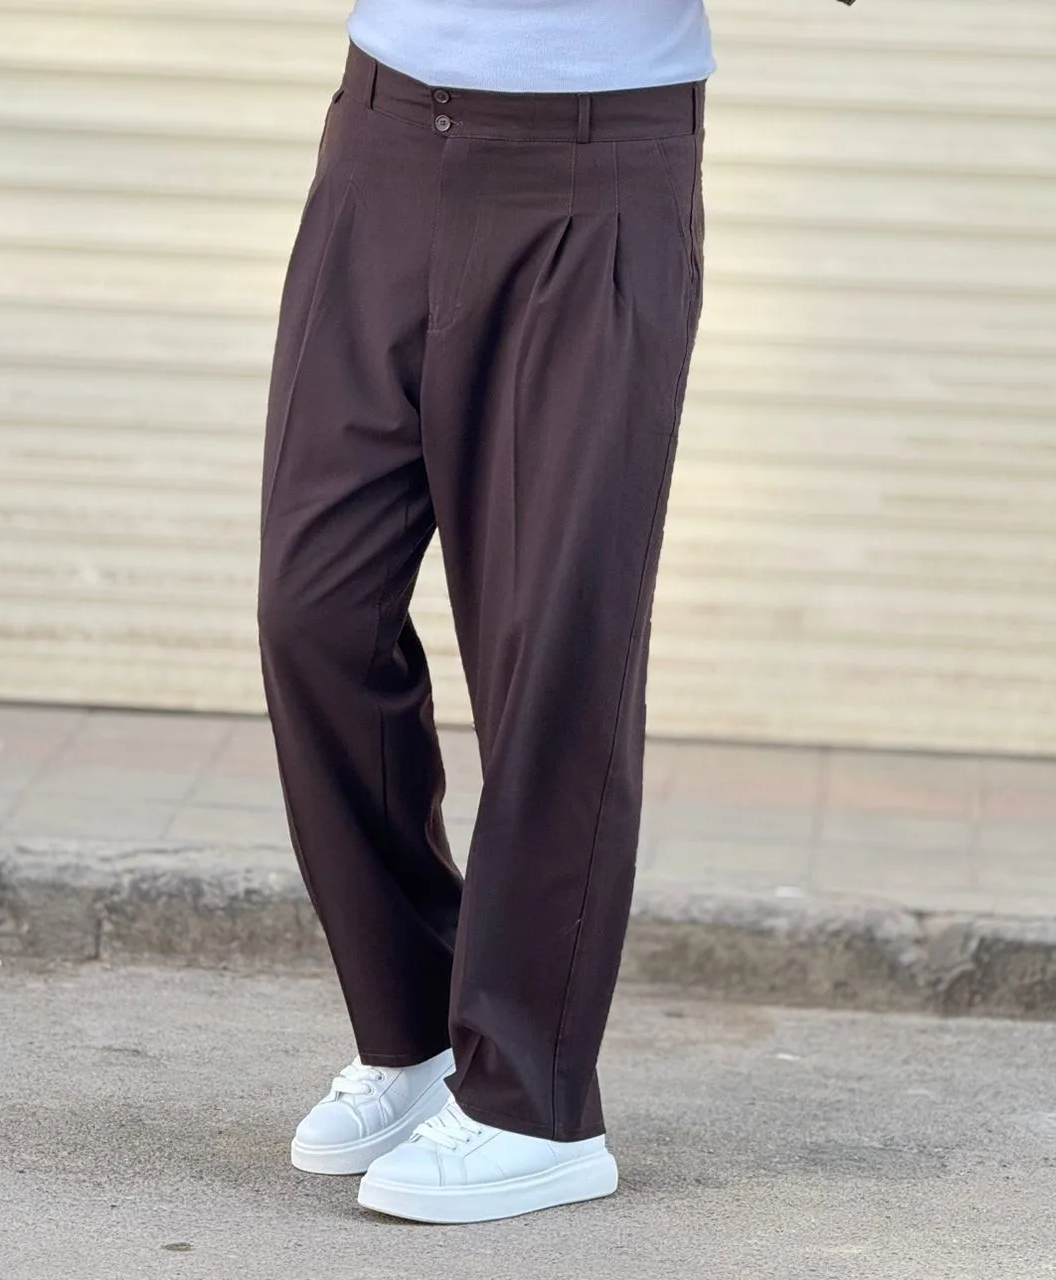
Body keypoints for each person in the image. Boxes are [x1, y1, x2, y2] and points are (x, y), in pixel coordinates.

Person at [257, 0, 712, 1223]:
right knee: (313, 608)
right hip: (383, 137)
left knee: (552, 642)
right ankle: (415, 1035)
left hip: (594, 170)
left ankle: (533, 1105)